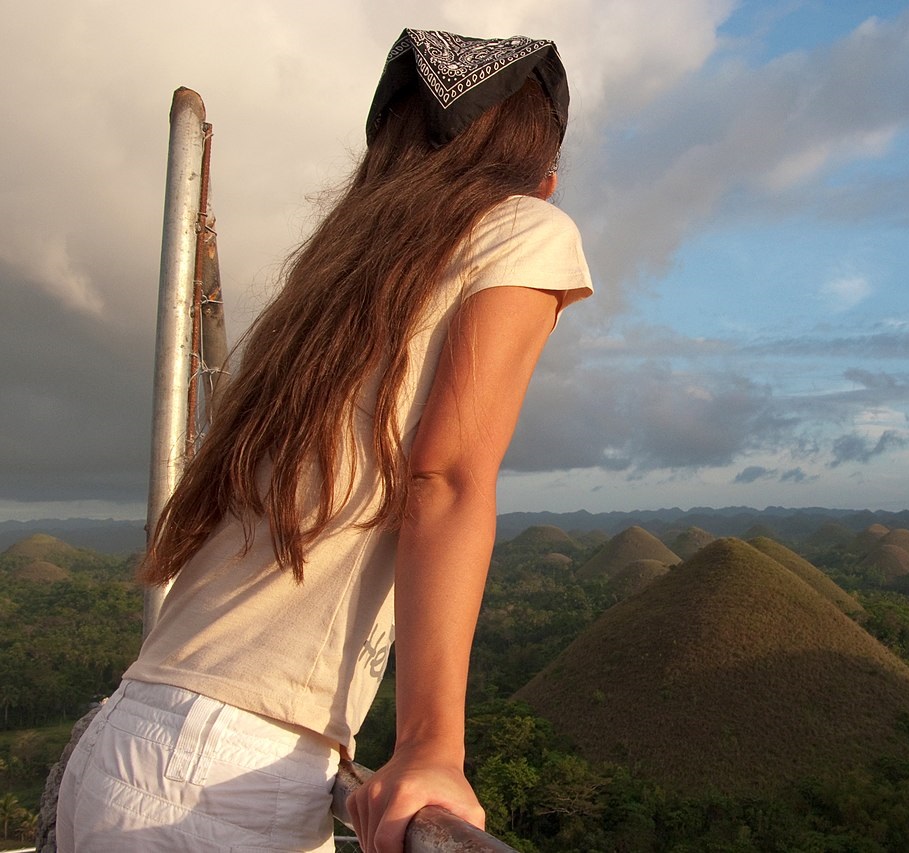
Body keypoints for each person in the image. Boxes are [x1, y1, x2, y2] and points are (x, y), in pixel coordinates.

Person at [55, 29, 592, 853]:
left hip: (128, 747)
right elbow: (446, 475)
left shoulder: (331, 284)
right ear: (543, 176)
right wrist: (430, 747)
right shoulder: (526, 226)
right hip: (229, 780)